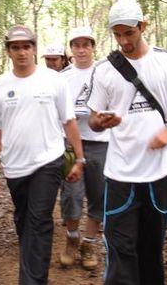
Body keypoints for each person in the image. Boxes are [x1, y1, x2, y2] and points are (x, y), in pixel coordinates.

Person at [87, 0, 167, 285]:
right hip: (121, 174)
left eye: (129, 33)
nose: (124, 41)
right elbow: (93, 120)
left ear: (142, 27)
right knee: (121, 250)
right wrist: (102, 122)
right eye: (117, 34)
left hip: (159, 172)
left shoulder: (166, 62)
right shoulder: (105, 70)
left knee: (151, 248)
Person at [0, 25, 85, 285]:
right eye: (15, 47)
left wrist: (80, 158)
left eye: (26, 47)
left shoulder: (54, 81)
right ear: (8, 51)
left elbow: (69, 121)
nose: (21, 52)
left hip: (48, 161)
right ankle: (32, 266)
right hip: (15, 167)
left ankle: (31, 280)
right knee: (25, 220)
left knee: (39, 221)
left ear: (34, 49)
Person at [59, 26, 109, 270]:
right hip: (71, 143)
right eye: (76, 45)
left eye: (85, 44)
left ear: (92, 47)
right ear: (71, 49)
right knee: (71, 196)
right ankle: (72, 239)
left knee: (99, 196)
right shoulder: (63, 77)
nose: (81, 49)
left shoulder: (105, 72)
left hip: (101, 143)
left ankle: (89, 243)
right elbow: (56, 111)